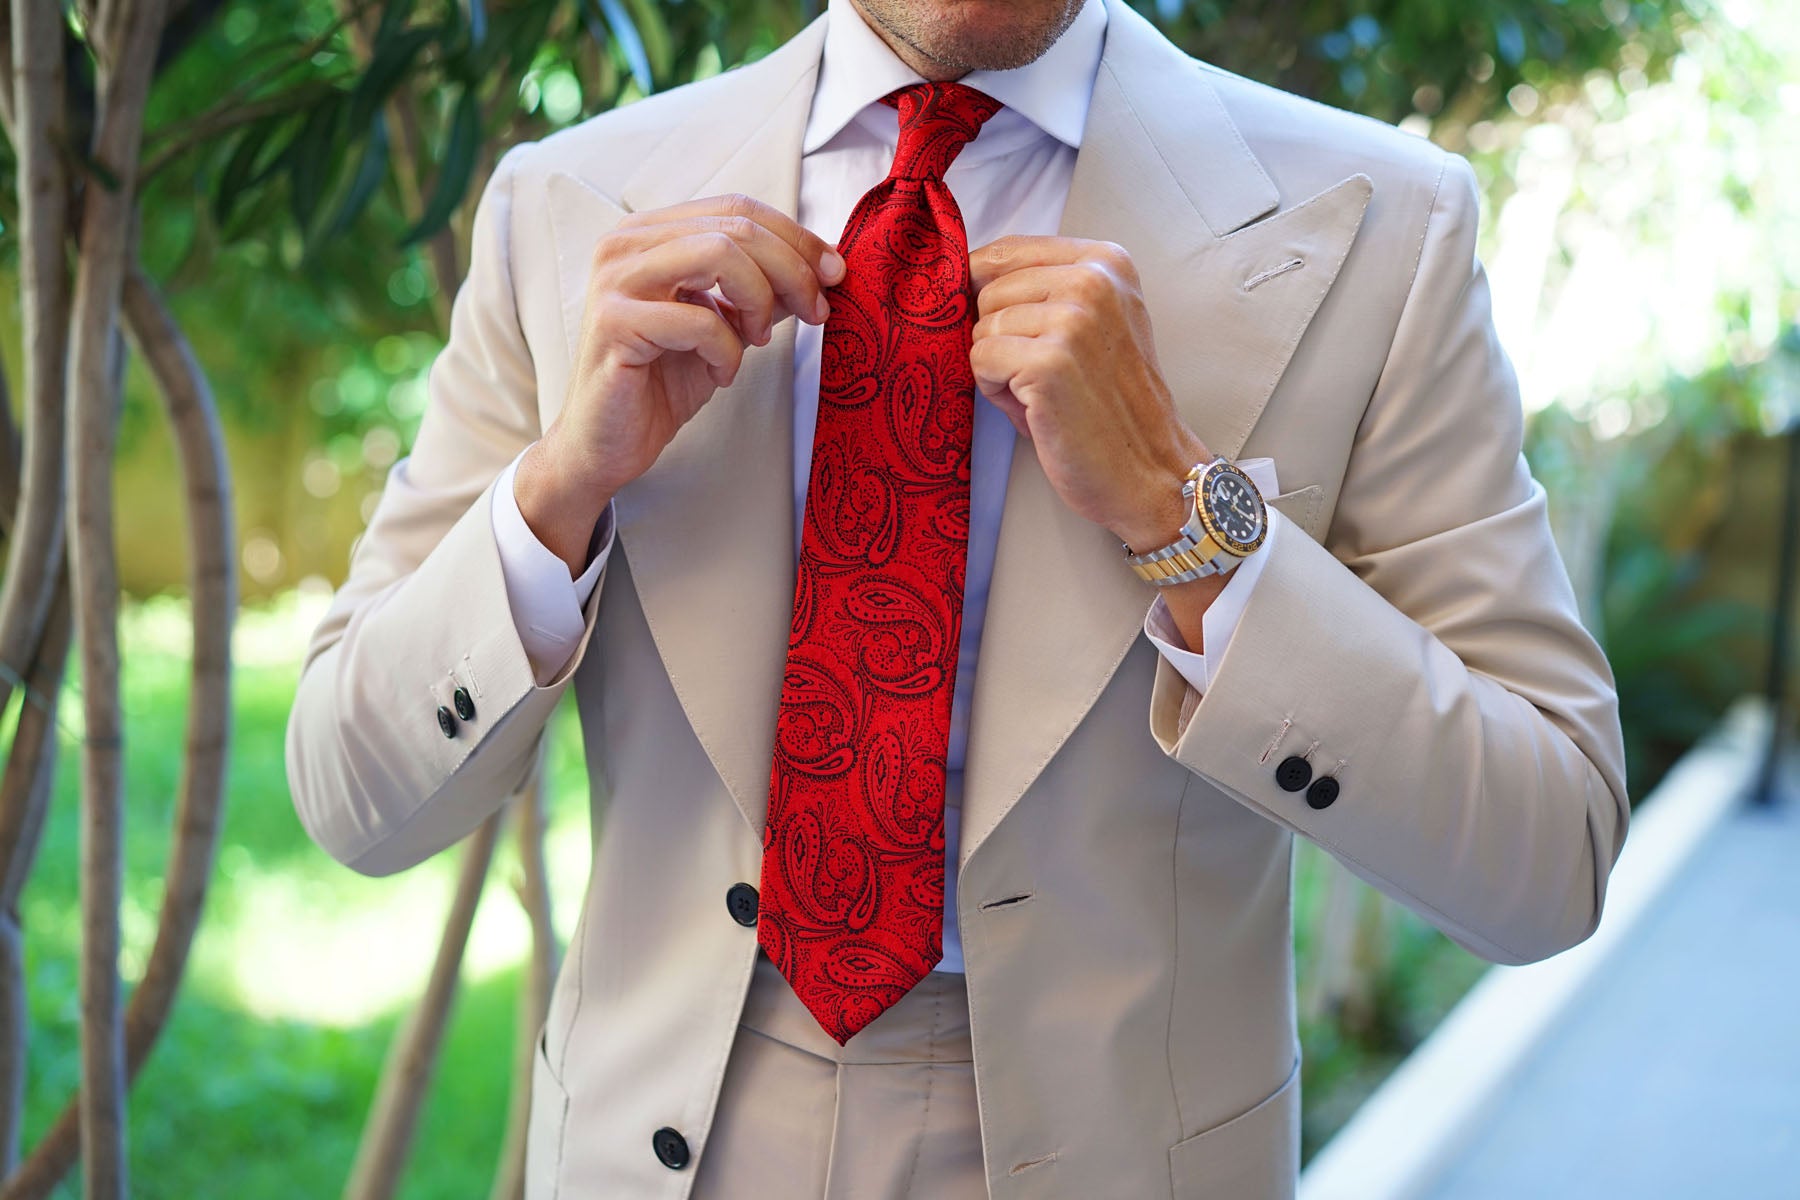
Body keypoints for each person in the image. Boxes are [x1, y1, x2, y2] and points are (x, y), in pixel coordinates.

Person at [285, 0, 1628, 1194]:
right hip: (664, 1144)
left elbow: (1544, 860)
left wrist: (1187, 517)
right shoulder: (570, 203)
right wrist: (557, 492)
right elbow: (353, 796)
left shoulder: (1385, 224)